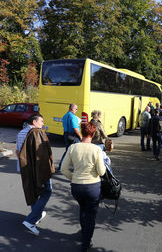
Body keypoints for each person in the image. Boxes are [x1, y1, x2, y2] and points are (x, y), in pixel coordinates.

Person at [61, 122, 106, 252]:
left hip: (76, 187)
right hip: (93, 187)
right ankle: (86, 243)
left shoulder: (73, 148)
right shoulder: (97, 149)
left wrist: (73, 178)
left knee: (82, 208)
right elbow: (102, 172)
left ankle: (83, 231)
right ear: (93, 134)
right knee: (91, 214)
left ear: (82, 132)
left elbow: (63, 169)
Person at [18, 114, 55, 236]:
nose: (43, 124)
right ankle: (32, 218)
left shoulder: (21, 133)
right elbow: (43, 154)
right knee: (47, 191)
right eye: (41, 121)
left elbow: (19, 152)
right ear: (34, 122)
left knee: (33, 191)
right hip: (39, 169)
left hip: (26, 169)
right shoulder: (38, 133)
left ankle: (36, 214)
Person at [58, 103, 82, 171]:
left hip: (66, 134)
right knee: (76, 152)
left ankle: (61, 166)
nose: (76, 110)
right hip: (73, 136)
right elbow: (75, 129)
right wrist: (80, 137)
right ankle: (78, 168)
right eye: (76, 109)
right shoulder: (73, 117)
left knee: (67, 151)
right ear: (72, 109)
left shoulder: (65, 116)